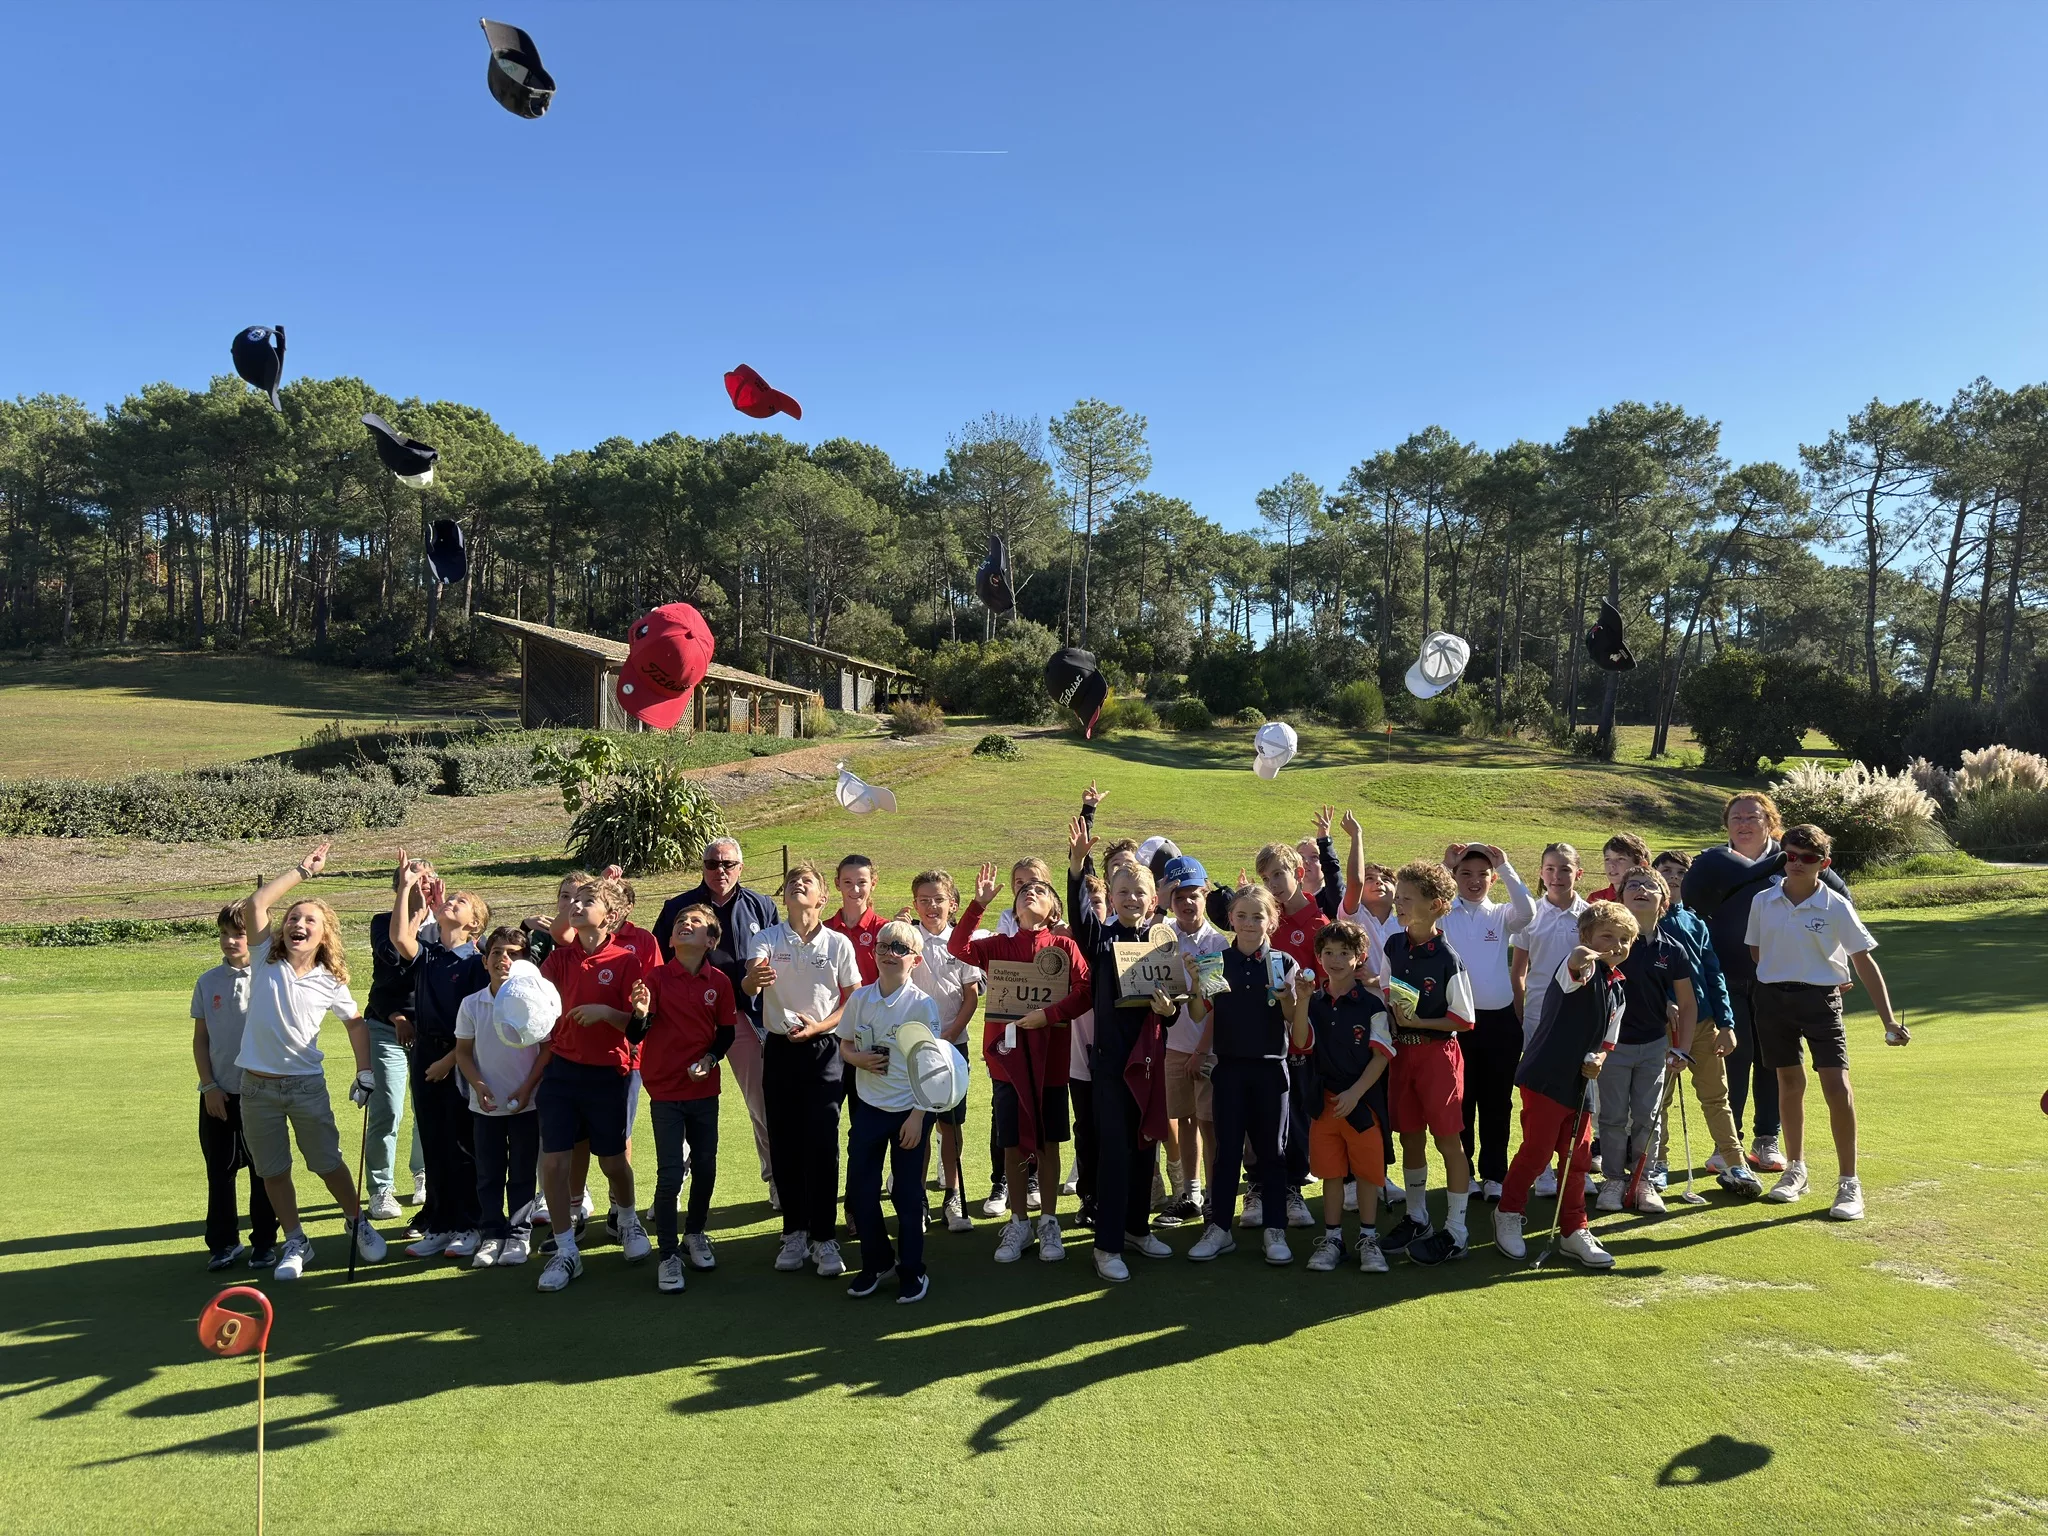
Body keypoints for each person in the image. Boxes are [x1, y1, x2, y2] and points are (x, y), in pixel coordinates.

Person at [230, 842, 386, 1280]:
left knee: (327, 1163)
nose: (298, 924)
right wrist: (303, 871)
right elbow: (255, 904)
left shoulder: (330, 979)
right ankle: (296, 1240)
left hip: (304, 1086)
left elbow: (355, 1023)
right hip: (256, 1088)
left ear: (324, 935)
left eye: (309, 921)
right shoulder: (265, 956)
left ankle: (357, 1220)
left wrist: (365, 1071)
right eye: (294, 918)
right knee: (273, 1171)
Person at [1681, 792, 1854, 1176]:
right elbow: (1690, 913)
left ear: (1770, 822)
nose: (1744, 824)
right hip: (1726, 979)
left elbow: (1842, 905)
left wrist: (1837, 964)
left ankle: (1766, 1139)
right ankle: (1728, 1144)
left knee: (1773, 1061)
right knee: (1733, 1056)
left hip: (1779, 982)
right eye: (1736, 818)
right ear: (1726, 825)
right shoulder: (1711, 862)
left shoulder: (1793, 856)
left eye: (1753, 817)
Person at [1745, 824, 1907, 1220]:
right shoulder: (1763, 901)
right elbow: (1757, 952)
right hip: (1772, 1000)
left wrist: (1888, 1021)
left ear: (1824, 863)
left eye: (1807, 858)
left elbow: (1863, 961)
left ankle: (1849, 1182)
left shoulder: (1836, 905)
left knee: (1837, 1087)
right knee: (1788, 1083)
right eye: (1790, 856)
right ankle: (1796, 1170)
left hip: (1820, 1002)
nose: (1797, 863)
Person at [948, 861, 1092, 1266]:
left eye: (1041, 890)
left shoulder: (1064, 947)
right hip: (1008, 1062)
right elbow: (957, 948)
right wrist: (977, 905)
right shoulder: (998, 945)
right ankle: (1018, 1221)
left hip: (1050, 1060)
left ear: (1054, 910)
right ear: (1013, 907)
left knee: (1047, 1143)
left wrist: (1048, 1015)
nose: (1030, 892)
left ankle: (1048, 1221)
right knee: (1011, 1143)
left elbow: (1086, 990)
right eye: (1024, 890)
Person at [1493, 901, 1638, 1270]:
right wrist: (1582, 955)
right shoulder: (1577, 969)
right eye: (1607, 936)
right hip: (1545, 1077)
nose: (1617, 945)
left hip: (1580, 1084)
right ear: (1585, 936)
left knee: (1578, 1158)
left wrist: (1599, 1060)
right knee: (1538, 1152)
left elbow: (1607, 1042)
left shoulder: (1618, 989)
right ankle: (1508, 1211)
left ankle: (1574, 1229)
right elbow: (1576, 963)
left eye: (1625, 939)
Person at [1066, 827, 1180, 1282]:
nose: (1132, 899)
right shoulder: (1102, 940)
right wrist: (1077, 866)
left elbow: (1170, 1009)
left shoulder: (1161, 942)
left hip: (1149, 1064)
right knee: (1114, 1153)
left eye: (1140, 893)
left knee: (1144, 1147)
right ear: (1111, 898)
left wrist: (1170, 1011)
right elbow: (1080, 919)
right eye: (1124, 892)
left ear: (1153, 901)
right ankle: (1107, 1244)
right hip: (1112, 1067)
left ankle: (1136, 1228)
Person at [1184, 885, 1315, 1265]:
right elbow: (1197, 1014)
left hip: (1272, 1070)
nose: (1249, 923)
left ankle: (1275, 1229)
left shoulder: (1283, 962)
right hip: (1229, 1070)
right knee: (1226, 1153)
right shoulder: (1216, 961)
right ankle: (1220, 1229)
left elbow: (1291, 1019)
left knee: (1273, 1153)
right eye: (1241, 916)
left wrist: (1290, 996)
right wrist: (1196, 984)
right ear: (1231, 919)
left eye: (1258, 916)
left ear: (1271, 920)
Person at [534, 875, 650, 1292]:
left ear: (611, 915)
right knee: (554, 1163)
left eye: (588, 901)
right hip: (561, 1072)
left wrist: (608, 1012)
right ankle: (567, 1250)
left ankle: (628, 1220)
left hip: (608, 1074)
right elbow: (535, 1005)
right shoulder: (558, 960)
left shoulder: (627, 961)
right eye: (574, 900)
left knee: (613, 1163)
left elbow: (637, 1028)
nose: (577, 906)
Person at [746, 861, 861, 1279]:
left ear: (822, 897)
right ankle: (793, 1232)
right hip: (779, 1049)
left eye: (806, 881)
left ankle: (823, 1237)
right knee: (784, 1141)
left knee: (822, 1142)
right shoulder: (767, 937)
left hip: (824, 1049)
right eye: (792, 881)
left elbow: (852, 997)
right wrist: (754, 979)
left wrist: (820, 1026)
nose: (797, 884)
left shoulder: (838, 943)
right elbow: (750, 980)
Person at [654, 838, 780, 1210]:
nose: (719, 871)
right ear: (703, 867)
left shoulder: (762, 905)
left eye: (727, 864)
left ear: (741, 867)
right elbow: (659, 961)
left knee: (763, 1105)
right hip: (688, 1020)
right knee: (679, 1103)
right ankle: (673, 1184)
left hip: (744, 1017)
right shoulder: (678, 908)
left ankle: (777, 1179)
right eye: (712, 864)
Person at [631, 902, 738, 1293]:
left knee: (706, 1166)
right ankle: (668, 1255)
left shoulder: (720, 982)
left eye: (695, 921)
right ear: (672, 939)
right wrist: (640, 1013)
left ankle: (695, 1233)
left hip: (704, 1089)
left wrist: (709, 1060)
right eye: (680, 921)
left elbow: (725, 1033)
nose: (685, 924)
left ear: (711, 940)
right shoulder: (656, 977)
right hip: (665, 1090)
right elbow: (635, 1034)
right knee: (670, 1173)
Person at [838, 919, 944, 1303]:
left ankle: (912, 1270)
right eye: (883, 946)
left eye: (900, 948)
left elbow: (932, 1069)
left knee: (907, 1195)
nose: (889, 953)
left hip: (909, 1113)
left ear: (916, 960)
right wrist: (858, 1059)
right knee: (861, 1191)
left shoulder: (922, 1005)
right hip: (869, 1108)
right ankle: (877, 1262)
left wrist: (918, 1116)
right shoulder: (860, 999)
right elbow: (845, 1045)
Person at [389, 861, 490, 1259]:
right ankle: (442, 1225)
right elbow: (400, 936)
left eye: (462, 902)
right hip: (425, 1054)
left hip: (460, 1057)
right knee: (433, 1142)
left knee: (462, 1145)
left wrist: (450, 1061)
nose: (453, 901)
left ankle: (469, 1225)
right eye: (453, 898)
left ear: (474, 924)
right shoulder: (429, 953)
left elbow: (478, 1025)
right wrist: (406, 887)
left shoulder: (477, 963)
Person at [1380, 860, 1478, 1265]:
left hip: (1437, 1056)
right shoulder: (1393, 945)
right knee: (1410, 1137)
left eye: (1406, 898)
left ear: (1435, 905)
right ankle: (1417, 1217)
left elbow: (1464, 1019)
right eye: (1398, 896)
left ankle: (1457, 1231)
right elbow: (1386, 991)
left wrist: (1419, 1022)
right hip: (1402, 1055)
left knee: (1448, 1141)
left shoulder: (1448, 958)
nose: (1398, 904)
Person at [1651, 850, 1760, 1196]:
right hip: (1661, 1027)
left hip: (1704, 1023)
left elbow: (1714, 975)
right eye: (1665, 870)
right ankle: (1657, 1163)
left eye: (1680, 872)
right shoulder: (1645, 923)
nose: (1672, 877)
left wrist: (1726, 1024)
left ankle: (1734, 1163)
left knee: (1717, 1097)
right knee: (1657, 1101)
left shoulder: (1696, 922)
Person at [1438, 841, 1536, 1201]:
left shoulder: (1502, 915)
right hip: (1455, 1023)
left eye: (1482, 874)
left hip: (1500, 1023)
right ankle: (1464, 1174)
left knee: (1497, 1102)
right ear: (1454, 878)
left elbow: (1528, 911)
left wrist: (1505, 866)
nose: (1474, 880)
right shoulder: (1443, 913)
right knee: (1461, 1102)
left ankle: (1495, 1174)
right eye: (1465, 873)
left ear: (1492, 879)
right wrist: (1445, 866)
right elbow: (1422, 905)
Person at [1594, 868, 1695, 1215]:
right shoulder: (1611, 944)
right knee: (1612, 1116)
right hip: (1612, 1045)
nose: (1640, 890)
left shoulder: (1673, 949)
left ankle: (1643, 1181)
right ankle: (1613, 1179)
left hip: (1653, 1045)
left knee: (1647, 1116)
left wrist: (1683, 1048)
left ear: (1663, 901)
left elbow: (1688, 1003)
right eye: (1632, 885)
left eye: (1650, 886)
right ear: (1620, 897)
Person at [452, 926, 553, 1269]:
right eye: (496, 952)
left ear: (526, 962)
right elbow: (463, 1052)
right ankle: (492, 1233)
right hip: (486, 1106)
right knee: (489, 1174)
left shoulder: (535, 1003)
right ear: (485, 961)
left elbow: (546, 1049)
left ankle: (518, 1234)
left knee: (522, 1173)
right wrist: (479, 1085)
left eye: (513, 953)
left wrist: (526, 1088)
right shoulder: (472, 1004)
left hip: (527, 1103)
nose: (503, 959)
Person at [1300, 921, 1394, 1274]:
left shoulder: (1372, 1004)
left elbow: (1381, 1056)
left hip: (1363, 1103)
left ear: (1360, 957)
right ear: (1318, 956)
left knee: (1368, 1174)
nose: (1335, 960)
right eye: (1328, 952)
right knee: (1331, 1174)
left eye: (1344, 953)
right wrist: (1301, 1001)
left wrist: (1356, 1093)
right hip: (1324, 1103)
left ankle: (1368, 1239)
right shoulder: (1314, 1001)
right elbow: (1300, 1041)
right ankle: (1333, 1240)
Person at [191, 902, 277, 1270]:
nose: (230, 941)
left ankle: (265, 1243)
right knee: (220, 1171)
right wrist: (209, 1085)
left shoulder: (270, 977)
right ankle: (224, 1243)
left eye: (238, 934)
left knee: (264, 1171)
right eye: (224, 934)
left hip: (260, 1093)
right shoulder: (208, 981)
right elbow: (201, 1040)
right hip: (219, 1093)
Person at [909, 870, 983, 1233]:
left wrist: (950, 1035)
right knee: (919, 1125)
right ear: (915, 904)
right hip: (915, 1048)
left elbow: (971, 996)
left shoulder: (961, 942)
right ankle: (918, 1196)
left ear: (952, 904)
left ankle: (951, 1195)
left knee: (950, 1124)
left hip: (954, 1045)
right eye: (924, 900)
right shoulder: (908, 940)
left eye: (938, 899)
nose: (931, 906)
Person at [1159, 855, 1226, 1227]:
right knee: (1183, 1119)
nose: (1187, 903)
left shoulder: (1216, 941)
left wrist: (1202, 1050)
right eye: (1179, 896)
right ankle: (1192, 1193)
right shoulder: (1163, 935)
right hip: (1173, 1045)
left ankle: (1214, 1197)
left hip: (1208, 1049)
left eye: (1194, 895)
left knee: (1208, 1122)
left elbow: (1216, 1004)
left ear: (1206, 896)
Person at [362, 857, 426, 1222]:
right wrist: (398, 1018)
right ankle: (380, 1189)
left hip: (431, 1032)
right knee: (387, 1108)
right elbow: (393, 957)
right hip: (387, 1026)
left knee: (427, 1108)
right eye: (413, 881)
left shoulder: (445, 927)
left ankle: (424, 1173)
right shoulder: (381, 923)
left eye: (426, 881)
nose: (421, 887)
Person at [828, 854, 886, 985]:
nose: (855, 889)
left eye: (862, 882)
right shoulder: (824, 929)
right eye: (848, 882)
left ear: (873, 883)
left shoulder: (884, 929)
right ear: (837, 883)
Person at [1587, 833, 1653, 902]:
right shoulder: (1596, 899)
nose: (1611, 864)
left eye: (1620, 859)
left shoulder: (1651, 899)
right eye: (1607, 859)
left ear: (1642, 865)